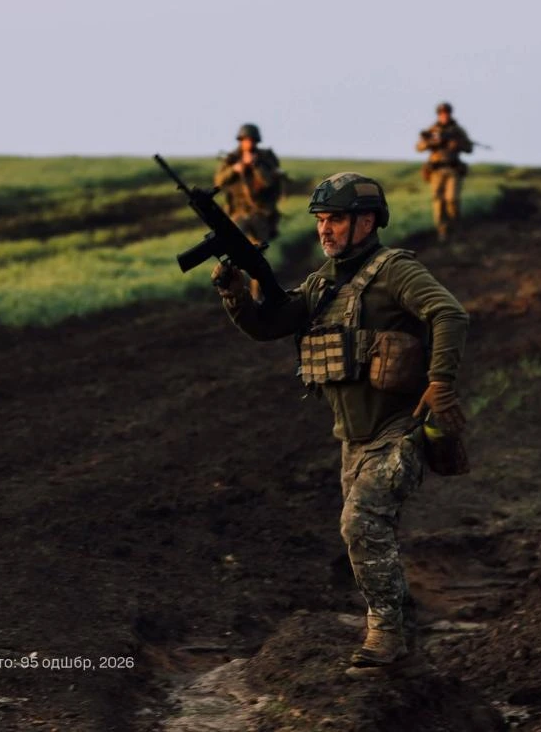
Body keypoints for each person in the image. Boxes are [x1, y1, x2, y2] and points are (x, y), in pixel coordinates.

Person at [210, 173, 469, 676]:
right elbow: (270, 325)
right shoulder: (322, 282)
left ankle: (388, 634)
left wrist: (441, 382)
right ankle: (400, 624)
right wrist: (236, 293)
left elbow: (449, 313)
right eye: (321, 220)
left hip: (400, 430)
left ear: (367, 221)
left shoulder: (394, 270)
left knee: (361, 521)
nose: (324, 230)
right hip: (352, 439)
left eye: (335, 219)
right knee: (366, 529)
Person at [213, 123, 283, 245]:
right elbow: (219, 181)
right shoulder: (232, 158)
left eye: (252, 140)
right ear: (241, 141)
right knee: (236, 247)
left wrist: (255, 165)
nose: (249, 144)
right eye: (245, 140)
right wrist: (234, 170)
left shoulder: (265, 159)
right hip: (237, 212)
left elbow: (269, 182)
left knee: (258, 249)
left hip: (261, 213)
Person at [415, 102, 473, 241]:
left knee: (452, 199)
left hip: (453, 169)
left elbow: (469, 147)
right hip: (436, 170)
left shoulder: (457, 130)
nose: (444, 116)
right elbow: (419, 146)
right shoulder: (432, 129)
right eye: (442, 113)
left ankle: (456, 227)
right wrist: (431, 143)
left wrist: (457, 145)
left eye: (446, 113)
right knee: (438, 201)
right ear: (438, 115)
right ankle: (442, 231)